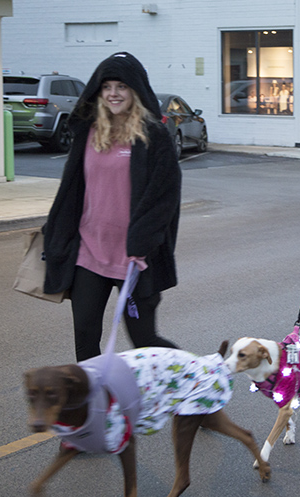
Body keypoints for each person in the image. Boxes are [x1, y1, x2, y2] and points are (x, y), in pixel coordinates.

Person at [43, 51, 182, 361]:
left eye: (121, 86)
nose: (113, 94)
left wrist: (143, 244)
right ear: (98, 90)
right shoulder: (88, 133)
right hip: (89, 252)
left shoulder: (153, 136)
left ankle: (194, 375)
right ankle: (95, 406)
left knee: (144, 340)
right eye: (107, 87)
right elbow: (71, 190)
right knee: (86, 337)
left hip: (135, 257)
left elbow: (165, 198)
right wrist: (56, 232)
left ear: (134, 89)